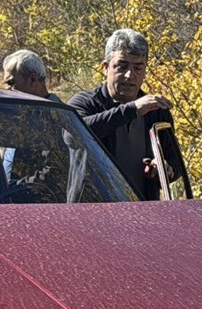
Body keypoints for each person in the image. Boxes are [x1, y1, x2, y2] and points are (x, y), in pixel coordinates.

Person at [69, 29, 184, 200]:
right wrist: (132, 110)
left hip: (142, 210)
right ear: (105, 67)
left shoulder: (156, 111)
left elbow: (176, 163)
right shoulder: (84, 103)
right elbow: (75, 132)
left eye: (138, 68)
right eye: (122, 66)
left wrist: (164, 169)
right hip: (92, 210)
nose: (130, 75)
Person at [0, 50, 62, 183]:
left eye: (11, 83)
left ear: (33, 80)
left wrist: (15, 187)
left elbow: (53, 171)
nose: (6, 89)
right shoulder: (23, 112)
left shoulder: (55, 118)